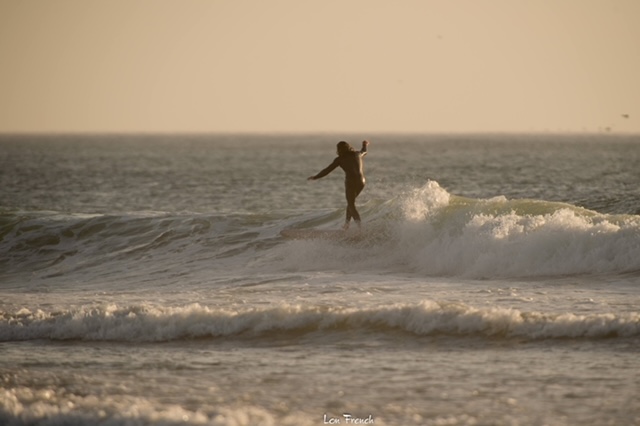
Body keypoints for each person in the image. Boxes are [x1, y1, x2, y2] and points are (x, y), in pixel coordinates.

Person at [308, 140, 370, 230]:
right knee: (350, 203)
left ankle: (360, 228)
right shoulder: (357, 154)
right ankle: (347, 225)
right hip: (362, 181)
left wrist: (316, 177)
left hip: (351, 182)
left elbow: (327, 170)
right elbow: (364, 151)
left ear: (339, 150)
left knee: (351, 204)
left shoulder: (340, 159)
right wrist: (364, 145)